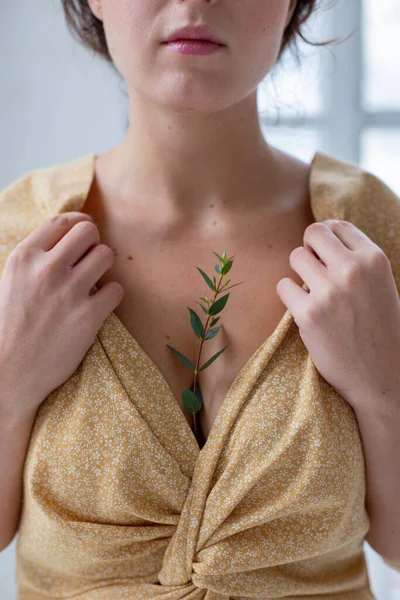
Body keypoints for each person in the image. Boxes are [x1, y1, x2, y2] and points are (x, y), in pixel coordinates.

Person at [1, 1, 400, 598]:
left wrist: (384, 387)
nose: (194, 1)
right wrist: (9, 381)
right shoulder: (17, 236)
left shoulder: (373, 232)